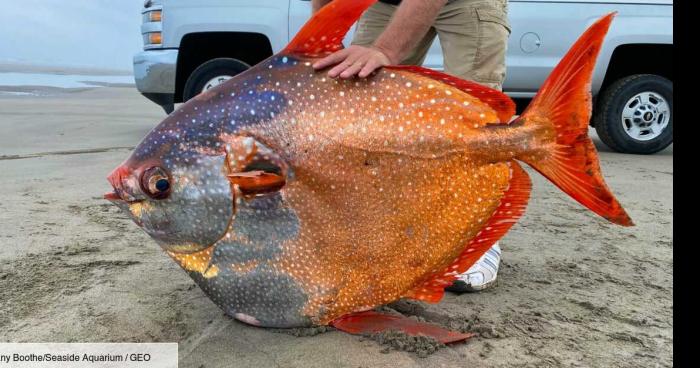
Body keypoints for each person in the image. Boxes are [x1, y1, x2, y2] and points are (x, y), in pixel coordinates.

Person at [311, 0, 511, 292]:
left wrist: (385, 50)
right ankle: (384, 235)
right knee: (359, 98)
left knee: (475, 115)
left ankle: (478, 240)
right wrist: (323, 38)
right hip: (387, 2)